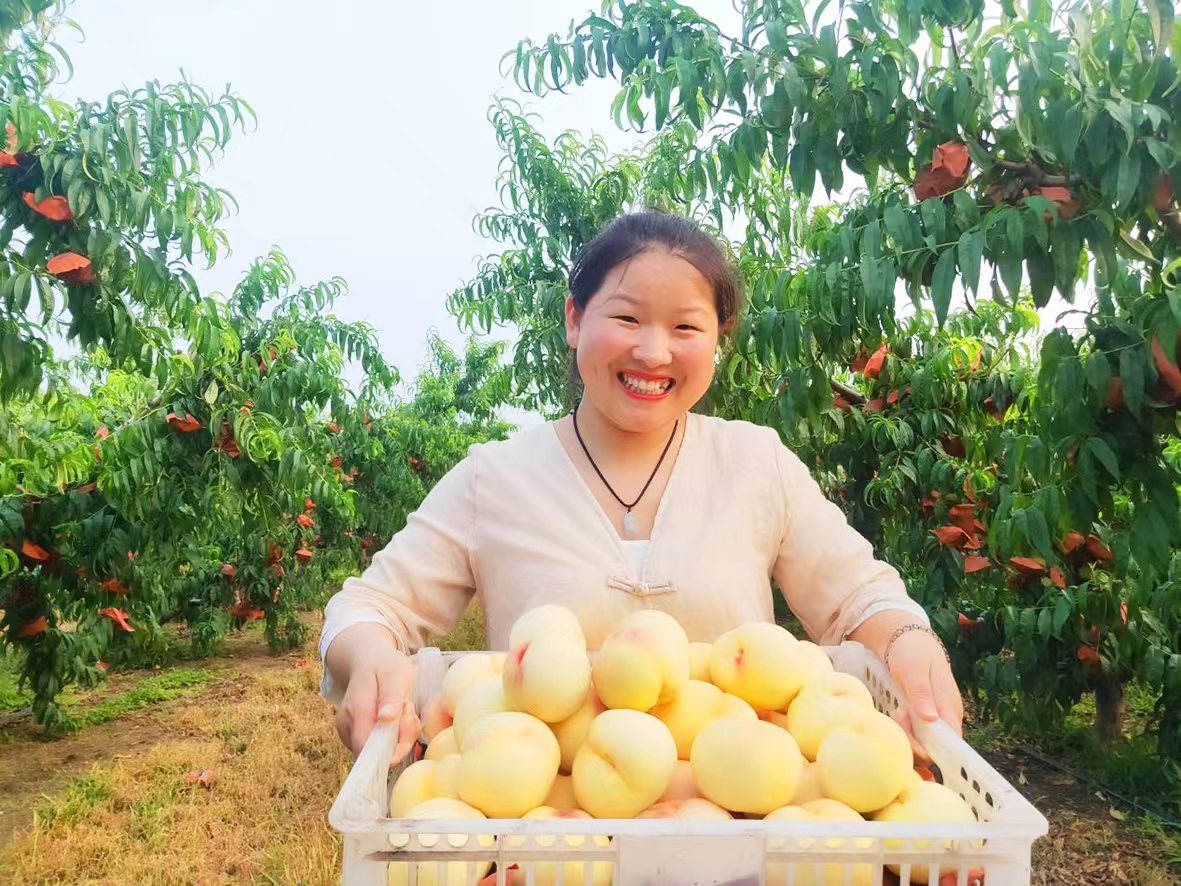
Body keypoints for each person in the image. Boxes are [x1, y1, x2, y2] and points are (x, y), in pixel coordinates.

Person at [320, 211, 964, 758]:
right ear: (575, 320)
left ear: (720, 341)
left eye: (685, 328)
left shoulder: (754, 462)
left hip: (746, 833)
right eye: (626, 318)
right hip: (545, 835)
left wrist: (908, 640)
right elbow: (369, 607)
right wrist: (370, 653)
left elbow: (859, 595)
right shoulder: (497, 477)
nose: (654, 353)